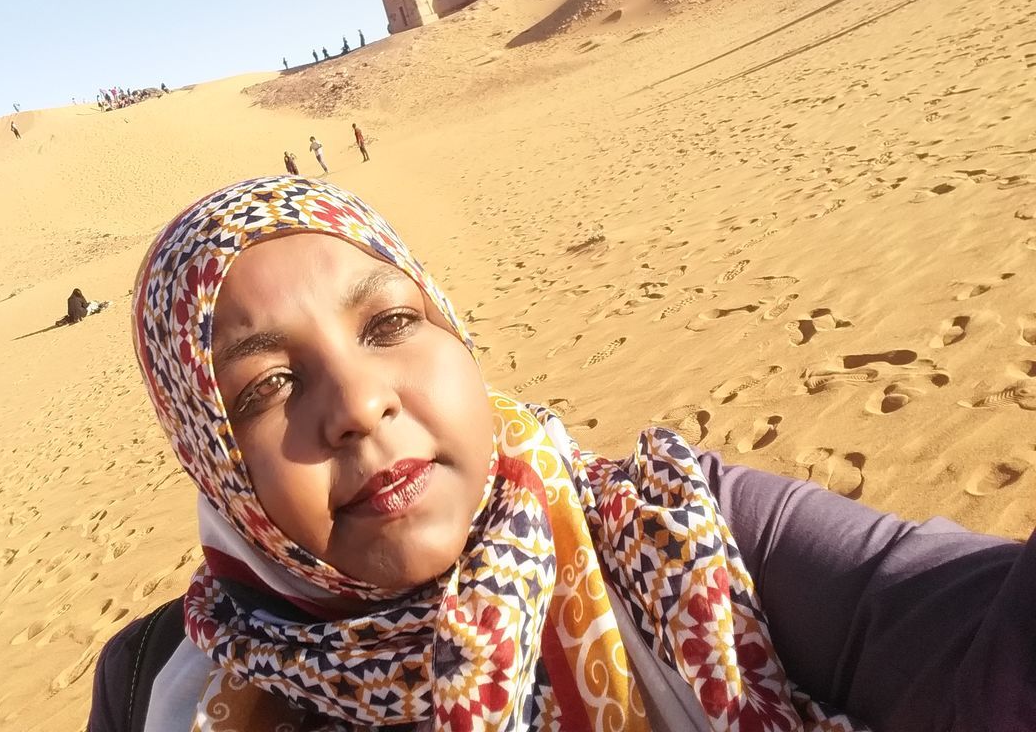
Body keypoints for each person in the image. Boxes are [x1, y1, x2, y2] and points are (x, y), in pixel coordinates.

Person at [88, 177, 1036, 732]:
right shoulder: (160, 690)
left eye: (390, 322)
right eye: (266, 389)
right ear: (216, 465)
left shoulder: (683, 535)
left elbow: (965, 630)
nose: (360, 404)